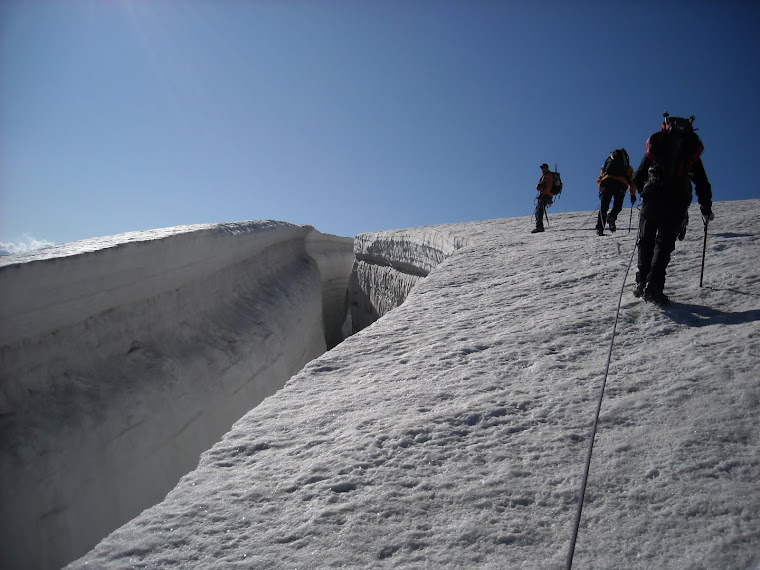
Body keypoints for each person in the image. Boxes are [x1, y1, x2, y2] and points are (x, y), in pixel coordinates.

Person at [631, 114, 713, 305]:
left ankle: (642, 281)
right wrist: (705, 206)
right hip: (677, 199)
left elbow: (640, 174)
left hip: (653, 195)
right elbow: (701, 181)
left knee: (646, 240)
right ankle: (654, 287)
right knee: (664, 244)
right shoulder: (689, 151)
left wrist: (641, 191)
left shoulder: (658, 145)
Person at [596, 149, 637, 235]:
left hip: (607, 182)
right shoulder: (628, 167)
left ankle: (600, 228)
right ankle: (612, 216)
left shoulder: (607, 163)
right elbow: (632, 181)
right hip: (621, 184)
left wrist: (600, 189)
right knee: (618, 206)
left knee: (604, 206)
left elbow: (601, 176)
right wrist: (632, 194)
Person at [532, 163, 554, 233]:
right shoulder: (544, 176)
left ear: (547, 168)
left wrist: (544, 193)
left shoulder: (548, 176)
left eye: (544, 168)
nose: (542, 169)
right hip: (546, 195)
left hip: (546, 195)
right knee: (538, 211)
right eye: (542, 168)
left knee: (539, 211)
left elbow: (549, 186)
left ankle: (539, 227)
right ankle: (539, 226)